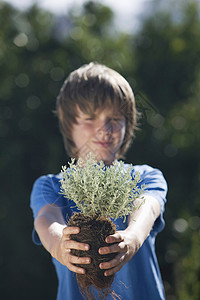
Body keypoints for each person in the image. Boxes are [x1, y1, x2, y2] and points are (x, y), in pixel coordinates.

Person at [30, 62, 167, 299]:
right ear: (69, 125)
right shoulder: (51, 185)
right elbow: (46, 219)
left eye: (115, 117)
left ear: (128, 124)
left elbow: (147, 207)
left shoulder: (145, 177)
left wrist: (133, 237)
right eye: (90, 118)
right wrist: (58, 244)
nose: (105, 129)